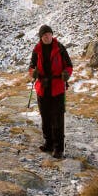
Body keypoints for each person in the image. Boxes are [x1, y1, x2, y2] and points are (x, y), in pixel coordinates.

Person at [28, 24, 73, 158]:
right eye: (44, 35)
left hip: (57, 88)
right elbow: (31, 67)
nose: (47, 37)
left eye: (48, 34)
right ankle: (48, 143)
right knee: (45, 117)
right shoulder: (36, 50)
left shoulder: (60, 48)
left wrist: (66, 73)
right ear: (40, 37)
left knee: (57, 118)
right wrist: (33, 73)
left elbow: (69, 66)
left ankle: (58, 148)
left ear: (52, 35)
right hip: (42, 88)